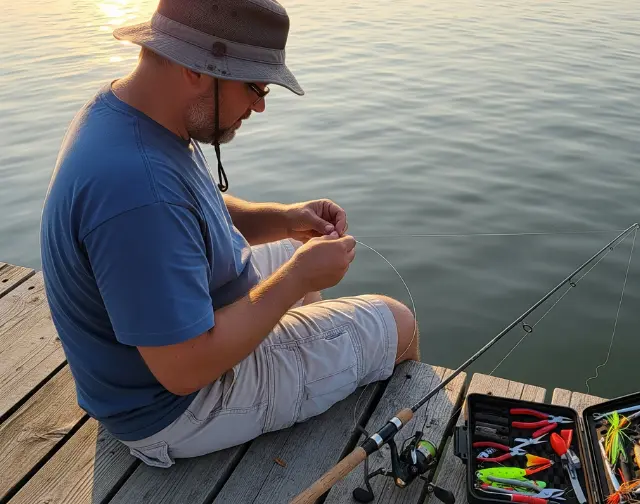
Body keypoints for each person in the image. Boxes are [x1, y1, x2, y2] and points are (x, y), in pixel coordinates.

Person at [39, 0, 419, 468]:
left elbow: (196, 209)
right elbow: (184, 370)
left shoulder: (135, 111)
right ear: (197, 70)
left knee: (296, 248)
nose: (259, 105)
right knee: (399, 324)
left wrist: (284, 218)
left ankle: (296, 368)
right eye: (255, 86)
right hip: (176, 407)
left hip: (168, 349)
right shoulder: (137, 189)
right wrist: (295, 281)